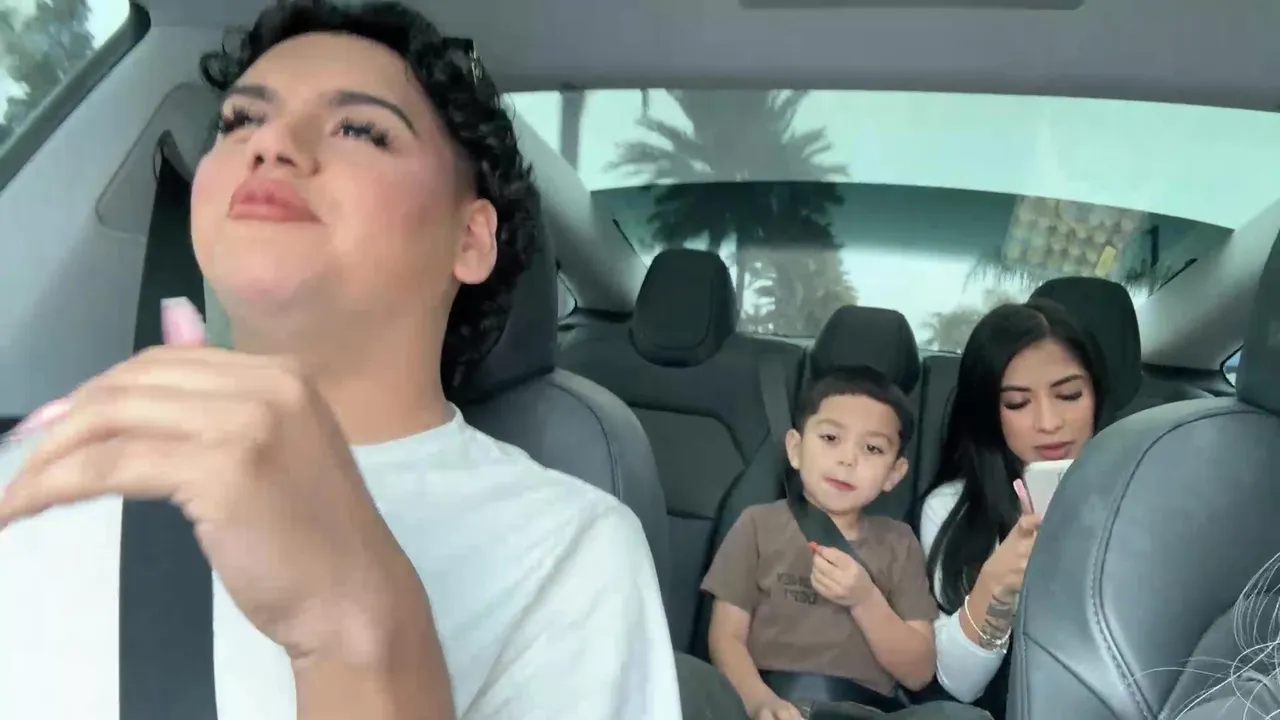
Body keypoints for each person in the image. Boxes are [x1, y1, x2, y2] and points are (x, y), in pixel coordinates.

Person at [0, 2, 680, 719]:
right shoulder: (46, 462)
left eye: (360, 129)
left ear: (471, 239)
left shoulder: (570, 549)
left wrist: (353, 634)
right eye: (240, 121)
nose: (271, 144)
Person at [702, 367, 989, 720]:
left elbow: (918, 672)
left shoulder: (899, 543)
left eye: (872, 448)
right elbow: (726, 637)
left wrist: (865, 599)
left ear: (894, 474)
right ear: (795, 449)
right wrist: (760, 701)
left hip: (860, 711)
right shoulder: (757, 525)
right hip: (766, 702)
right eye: (830, 438)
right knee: (684, 674)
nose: (848, 459)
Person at [917, 298, 1107, 716]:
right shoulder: (953, 510)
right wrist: (995, 586)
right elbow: (959, 685)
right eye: (1018, 403)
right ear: (989, 412)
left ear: (1096, 393)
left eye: (1069, 395)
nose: (1048, 422)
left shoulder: (1144, 484)